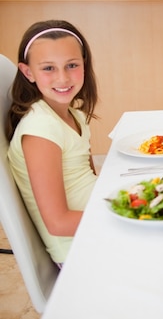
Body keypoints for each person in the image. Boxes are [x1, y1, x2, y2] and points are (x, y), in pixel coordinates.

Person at [5, 20, 98, 266]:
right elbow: (58, 223)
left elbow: (90, 179)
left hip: (97, 229)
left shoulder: (74, 115)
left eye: (72, 65)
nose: (63, 77)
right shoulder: (41, 128)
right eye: (48, 68)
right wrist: (126, 217)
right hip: (80, 251)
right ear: (28, 72)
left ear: (84, 66)